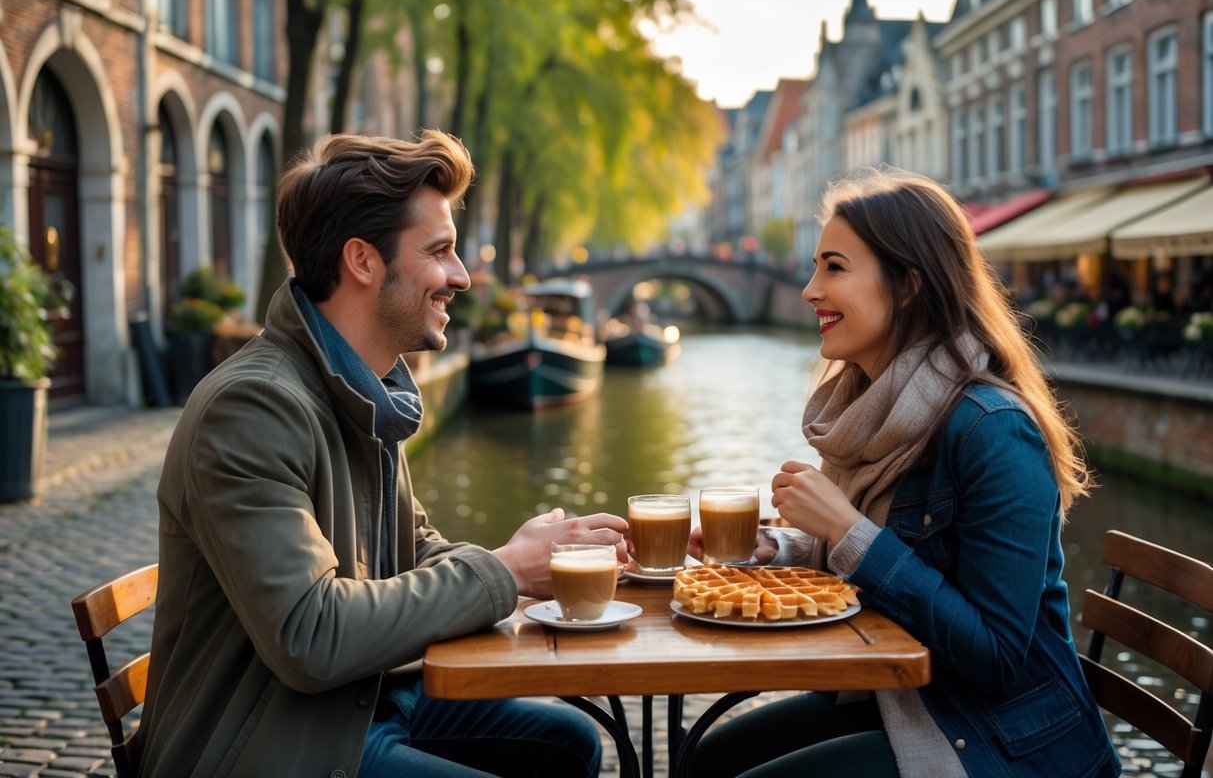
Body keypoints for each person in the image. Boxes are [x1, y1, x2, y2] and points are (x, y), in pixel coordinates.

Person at [134, 132, 627, 777]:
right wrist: (505, 572)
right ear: (363, 262)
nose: (462, 276)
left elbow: (413, 550)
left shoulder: (366, 391)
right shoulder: (252, 409)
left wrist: (538, 555)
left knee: (572, 743)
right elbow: (311, 636)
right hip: (269, 743)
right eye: (440, 251)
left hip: (359, 701)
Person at [690, 170, 1120, 778]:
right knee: (707, 758)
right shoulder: (873, 406)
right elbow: (873, 545)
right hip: (902, 697)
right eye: (816, 267)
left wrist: (848, 533)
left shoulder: (992, 430)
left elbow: (995, 657)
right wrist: (773, 545)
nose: (810, 290)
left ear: (909, 285)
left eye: (834, 268)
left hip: (1001, 741)